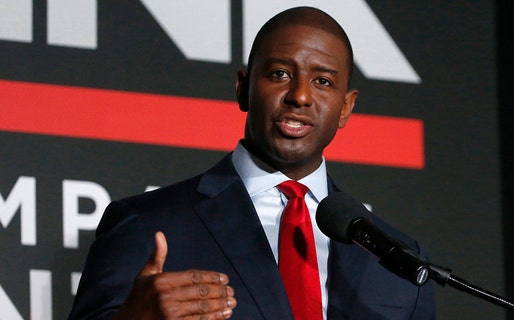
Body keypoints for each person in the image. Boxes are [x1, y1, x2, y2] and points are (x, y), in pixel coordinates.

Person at [68, 6, 436, 320]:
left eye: (322, 80)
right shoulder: (146, 226)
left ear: (346, 107)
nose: (301, 96)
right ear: (243, 88)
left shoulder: (399, 262)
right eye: (280, 74)